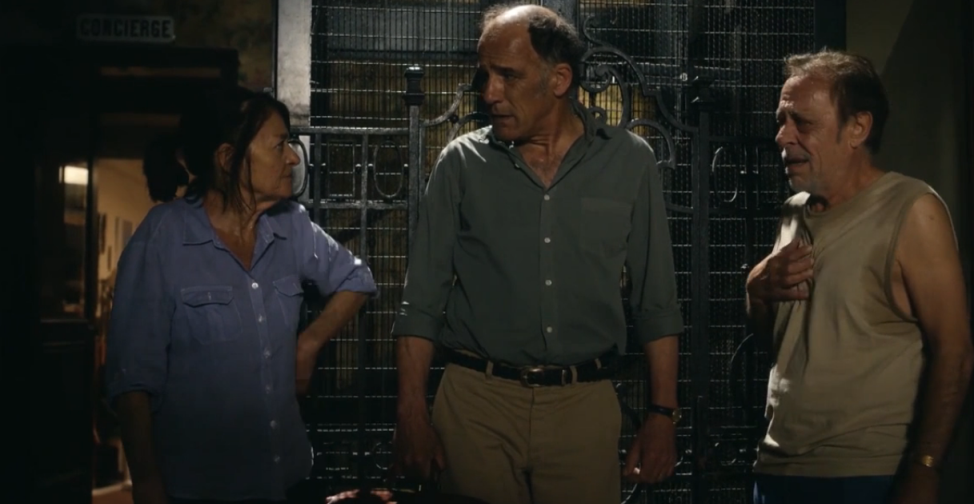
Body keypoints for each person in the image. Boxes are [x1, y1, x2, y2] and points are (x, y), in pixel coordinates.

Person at [391, 5, 684, 504]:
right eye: (485, 75)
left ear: (559, 80)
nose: (489, 93)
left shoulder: (629, 161)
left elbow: (657, 302)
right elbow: (421, 302)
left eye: (508, 76)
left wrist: (662, 415)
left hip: (583, 408)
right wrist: (411, 413)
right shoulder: (461, 164)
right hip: (476, 404)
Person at [105, 86, 378, 504]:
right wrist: (146, 481)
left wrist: (308, 344)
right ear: (228, 158)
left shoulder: (291, 225)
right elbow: (131, 379)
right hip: (200, 492)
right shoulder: (163, 238)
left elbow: (357, 279)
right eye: (279, 145)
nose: (292, 158)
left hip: (287, 483)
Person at [746, 49, 973, 504]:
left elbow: (956, 352)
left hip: (864, 475)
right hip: (775, 469)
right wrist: (756, 288)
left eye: (802, 122)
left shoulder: (913, 210)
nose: (782, 136)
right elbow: (780, 340)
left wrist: (925, 469)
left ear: (858, 128)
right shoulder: (793, 212)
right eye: (781, 120)